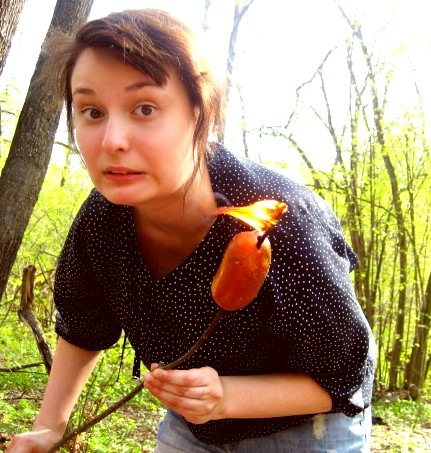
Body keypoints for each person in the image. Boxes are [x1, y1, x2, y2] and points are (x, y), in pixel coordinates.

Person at [7, 8, 376, 453]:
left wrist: (227, 397)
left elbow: (346, 376)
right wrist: (50, 427)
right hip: (194, 425)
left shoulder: (282, 222)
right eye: (92, 111)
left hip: (307, 428)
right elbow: (84, 327)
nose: (111, 141)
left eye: (145, 108)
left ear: (201, 112)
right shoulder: (102, 221)